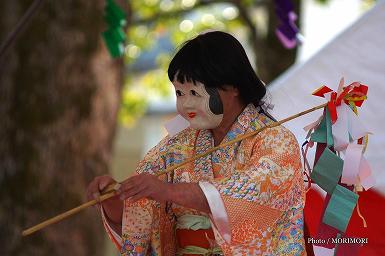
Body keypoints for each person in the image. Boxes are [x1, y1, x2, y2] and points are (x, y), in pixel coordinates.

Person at [87, 31, 306, 255]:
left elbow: (252, 197)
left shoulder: (277, 142)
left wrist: (168, 191)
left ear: (233, 87)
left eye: (195, 92)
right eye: (180, 93)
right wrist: (114, 197)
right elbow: (139, 218)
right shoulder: (175, 147)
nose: (186, 104)